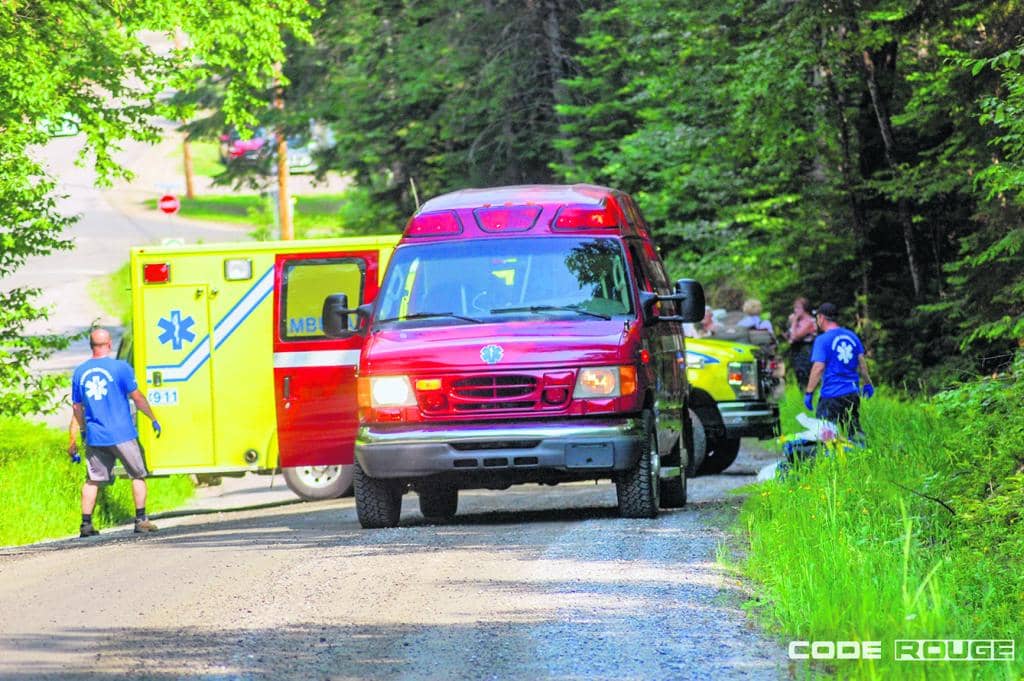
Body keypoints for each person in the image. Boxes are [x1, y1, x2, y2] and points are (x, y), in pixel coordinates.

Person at [68, 328, 162, 537]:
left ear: (91, 345)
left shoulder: (80, 372)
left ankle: (86, 525)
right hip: (123, 434)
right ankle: (141, 520)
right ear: (109, 344)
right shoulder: (120, 368)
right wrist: (153, 418)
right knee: (137, 474)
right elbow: (136, 398)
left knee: (93, 479)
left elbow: (76, 407)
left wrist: (81, 432)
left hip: (95, 436)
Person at [803, 303, 874, 440]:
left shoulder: (822, 340)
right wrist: (867, 384)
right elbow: (862, 363)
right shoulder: (852, 336)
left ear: (821, 318)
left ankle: (830, 459)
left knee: (825, 434)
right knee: (854, 430)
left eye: (817, 317)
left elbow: (818, 367)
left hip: (832, 395)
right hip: (852, 393)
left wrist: (809, 392)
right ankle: (861, 454)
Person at [783, 296, 817, 390]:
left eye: (798, 308)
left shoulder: (809, 321)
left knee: (804, 374)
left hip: (805, 350)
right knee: (798, 374)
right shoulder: (798, 321)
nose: (795, 310)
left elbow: (796, 336)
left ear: (804, 309)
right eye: (794, 308)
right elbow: (790, 338)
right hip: (796, 350)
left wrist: (794, 322)